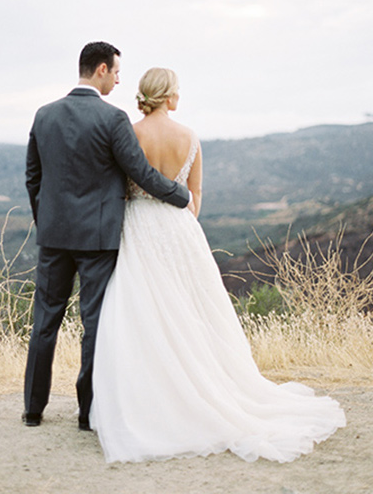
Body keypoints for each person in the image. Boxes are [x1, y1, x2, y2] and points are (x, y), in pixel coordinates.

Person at [90, 67, 346, 463]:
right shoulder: (189, 136)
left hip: (138, 226)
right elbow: (195, 195)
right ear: (168, 95)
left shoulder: (132, 135)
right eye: (177, 91)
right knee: (192, 313)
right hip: (179, 228)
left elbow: (119, 188)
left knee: (142, 313)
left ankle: (153, 400)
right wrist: (181, 227)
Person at [23, 43, 190, 429]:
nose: (118, 79)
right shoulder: (112, 119)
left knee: (44, 321)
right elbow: (141, 173)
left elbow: (33, 177)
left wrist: (44, 220)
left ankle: (33, 410)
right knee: (94, 324)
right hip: (98, 240)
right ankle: (87, 413)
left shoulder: (44, 115)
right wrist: (181, 196)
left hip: (53, 237)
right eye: (116, 72)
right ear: (100, 69)